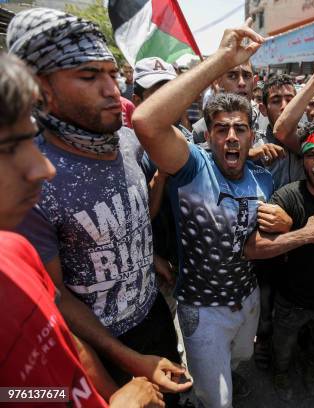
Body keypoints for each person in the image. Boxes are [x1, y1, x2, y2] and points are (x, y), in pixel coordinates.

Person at [8, 8, 189, 404]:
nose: (112, 90)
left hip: (154, 311)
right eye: (89, 77)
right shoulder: (25, 182)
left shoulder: (125, 140)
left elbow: (135, 216)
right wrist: (128, 362)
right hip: (104, 345)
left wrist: (147, 255)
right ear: (40, 88)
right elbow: (54, 298)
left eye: (111, 73)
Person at [131, 19, 272, 408]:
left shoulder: (264, 179)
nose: (231, 137)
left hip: (247, 299)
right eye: (221, 129)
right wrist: (221, 59)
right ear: (207, 135)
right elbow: (146, 121)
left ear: (252, 136)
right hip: (202, 310)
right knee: (217, 402)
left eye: (240, 129)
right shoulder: (192, 167)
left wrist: (290, 225)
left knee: (240, 359)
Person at [246, 120, 314, 401]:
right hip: (290, 301)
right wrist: (305, 235)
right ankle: (281, 374)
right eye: (311, 155)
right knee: (282, 351)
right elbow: (255, 247)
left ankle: (310, 370)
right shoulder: (288, 196)